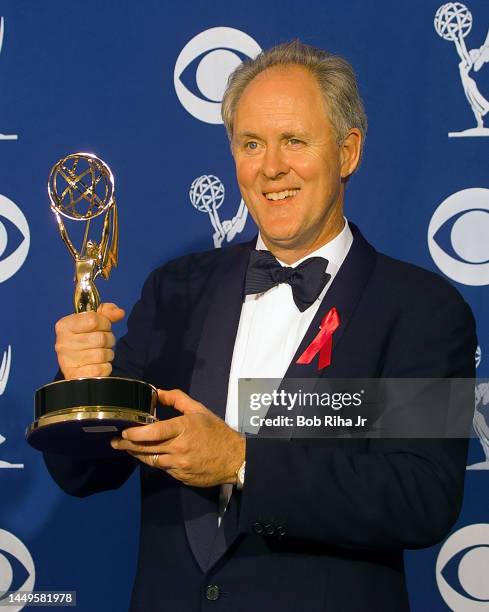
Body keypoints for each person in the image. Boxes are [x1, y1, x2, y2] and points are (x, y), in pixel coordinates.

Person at [45, 41, 476, 611]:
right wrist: (80, 383)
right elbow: (83, 473)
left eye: (294, 141)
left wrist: (242, 461)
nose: (271, 167)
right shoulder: (175, 289)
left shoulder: (423, 310)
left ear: (348, 152)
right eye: (252, 144)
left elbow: (423, 499)